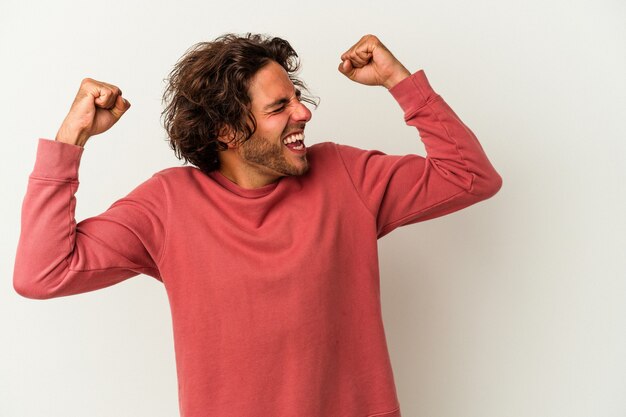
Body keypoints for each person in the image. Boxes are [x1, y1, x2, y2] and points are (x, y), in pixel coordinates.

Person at [13, 33, 502, 417]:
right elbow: (42, 273)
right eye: (279, 107)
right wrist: (71, 138)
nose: (303, 112)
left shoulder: (346, 176)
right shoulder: (168, 205)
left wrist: (400, 80)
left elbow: (471, 177)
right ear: (226, 131)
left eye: (296, 98)